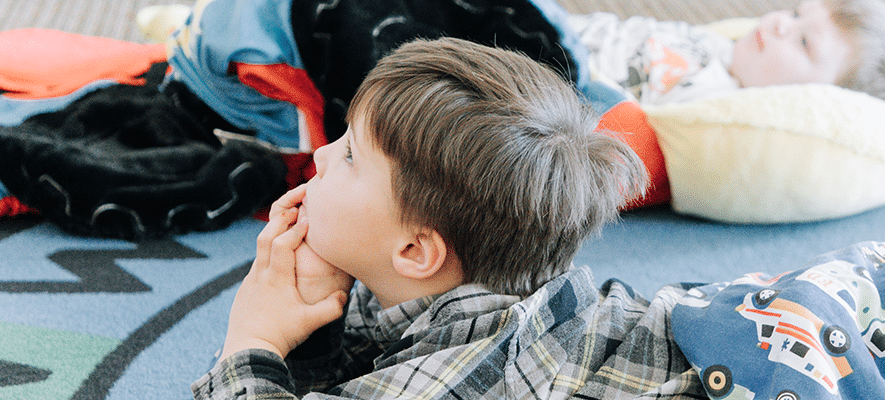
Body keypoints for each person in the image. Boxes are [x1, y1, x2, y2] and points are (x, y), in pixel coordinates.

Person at [191, 37, 706, 399]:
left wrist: (252, 341)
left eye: (350, 157)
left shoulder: (473, 371)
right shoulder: (453, 283)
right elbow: (354, 367)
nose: (321, 156)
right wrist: (312, 325)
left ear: (415, 251)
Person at [569, 0, 885, 110]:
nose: (781, 23)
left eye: (804, 42)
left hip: (561, 72)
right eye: (795, 14)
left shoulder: (715, 104)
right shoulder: (722, 46)